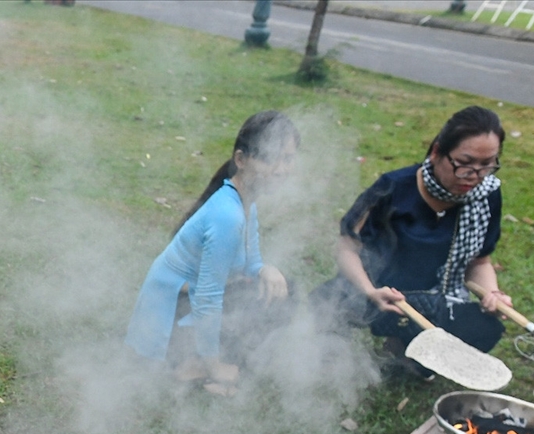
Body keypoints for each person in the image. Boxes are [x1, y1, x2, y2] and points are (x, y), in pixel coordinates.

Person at [320, 105, 513, 372]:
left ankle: (408, 357)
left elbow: (479, 262)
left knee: (485, 328)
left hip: (435, 300)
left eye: (486, 165)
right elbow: (346, 248)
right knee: (321, 308)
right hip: (378, 292)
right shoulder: (394, 188)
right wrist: (369, 290)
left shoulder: (486, 195)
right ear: (436, 152)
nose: (474, 176)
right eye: (464, 163)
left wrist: (493, 294)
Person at [125, 110, 299, 393]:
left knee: (283, 287)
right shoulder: (227, 215)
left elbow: (251, 259)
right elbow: (207, 299)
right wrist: (214, 365)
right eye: (269, 157)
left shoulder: (245, 201)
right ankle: (189, 365)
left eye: (288, 158)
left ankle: (203, 360)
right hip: (167, 326)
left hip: (186, 308)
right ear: (241, 160)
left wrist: (264, 269)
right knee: (267, 298)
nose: (280, 169)